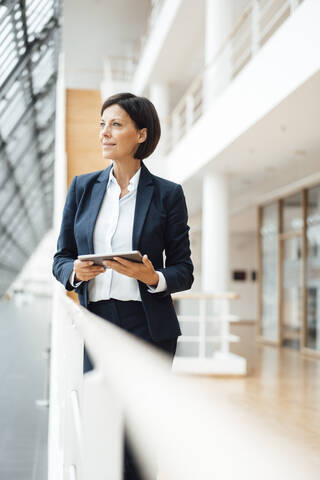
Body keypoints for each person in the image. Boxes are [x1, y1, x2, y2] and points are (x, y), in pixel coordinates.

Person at [52, 92, 194, 479]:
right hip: (96, 320)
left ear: (141, 134)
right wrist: (75, 273)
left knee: (140, 433)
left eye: (115, 125)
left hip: (147, 326)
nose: (104, 133)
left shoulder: (167, 194)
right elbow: (61, 257)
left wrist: (152, 277)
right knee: (100, 421)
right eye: (101, 124)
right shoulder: (82, 188)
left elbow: (184, 269)